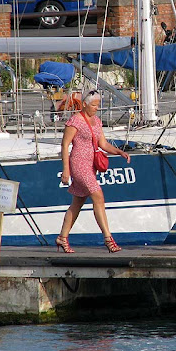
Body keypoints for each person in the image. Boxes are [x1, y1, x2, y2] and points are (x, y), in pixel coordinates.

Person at [57, 90, 130, 254]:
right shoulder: (75, 121)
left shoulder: (96, 121)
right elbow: (65, 145)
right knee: (98, 195)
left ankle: (62, 237)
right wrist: (66, 171)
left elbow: (103, 143)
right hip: (78, 164)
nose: (96, 108)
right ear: (84, 104)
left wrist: (119, 151)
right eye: (94, 105)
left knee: (77, 203)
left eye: (98, 105)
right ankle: (108, 238)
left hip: (91, 166)